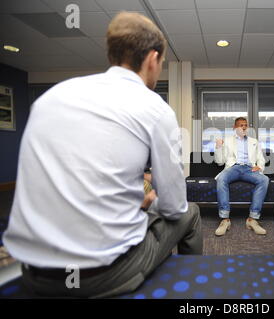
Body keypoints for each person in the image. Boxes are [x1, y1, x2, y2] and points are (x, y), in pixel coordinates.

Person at [3, 12, 202, 298]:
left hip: (32, 272)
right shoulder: (155, 109)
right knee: (190, 214)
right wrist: (147, 202)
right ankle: (190, 290)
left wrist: (135, 197)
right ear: (152, 59)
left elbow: (80, 173)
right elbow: (173, 207)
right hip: (102, 277)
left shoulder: (50, 98)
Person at [214, 117, 269, 236]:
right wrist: (218, 147)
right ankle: (225, 219)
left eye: (245, 125)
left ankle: (252, 219)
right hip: (233, 167)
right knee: (222, 179)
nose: (243, 127)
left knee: (264, 180)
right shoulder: (227, 140)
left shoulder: (254, 141)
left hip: (249, 168)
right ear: (234, 127)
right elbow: (219, 162)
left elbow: (260, 158)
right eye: (240, 125)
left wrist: (259, 166)